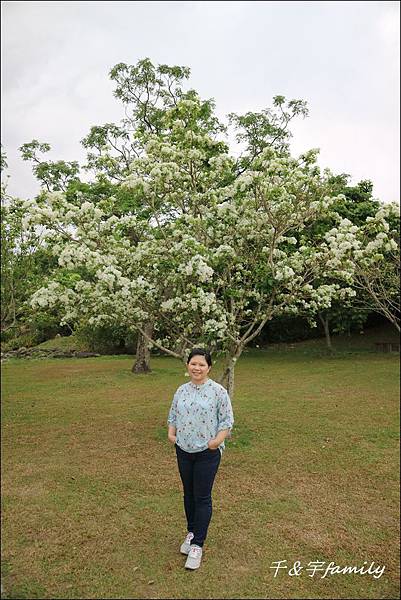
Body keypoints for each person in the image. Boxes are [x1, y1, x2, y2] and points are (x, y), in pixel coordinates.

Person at [167, 347, 234, 570]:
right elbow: (173, 414)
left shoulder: (218, 392)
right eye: (193, 364)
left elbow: (226, 421)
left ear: (209, 368)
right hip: (183, 450)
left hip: (207, 453)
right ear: (188, 365)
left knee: (202, 496)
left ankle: (197, 544)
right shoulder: (181, 390)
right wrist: (171, 433)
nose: (197, 368)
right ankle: (192, 532)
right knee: (189, 494)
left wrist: (216, 442)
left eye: (201, 365)